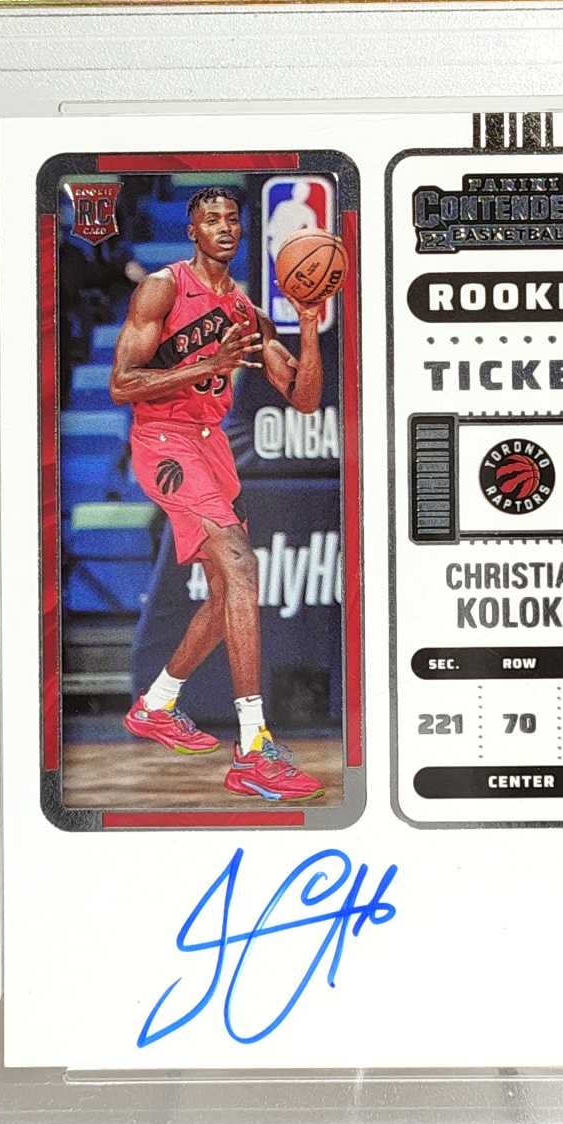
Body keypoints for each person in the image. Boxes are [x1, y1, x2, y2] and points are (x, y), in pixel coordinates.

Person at [109, 186, 327, 803]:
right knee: (242, 566)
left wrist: (309, 325)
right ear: (193, 231)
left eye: (232, 219)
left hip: (211, 448)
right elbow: (122, 384)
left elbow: (304, 398)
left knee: (229, 588)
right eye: (212, 220)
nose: (225, 227)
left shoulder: (246, 312)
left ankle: (157, 703)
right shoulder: (163, 289)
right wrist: (205, 366)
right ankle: (254, 747)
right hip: (164, 440)